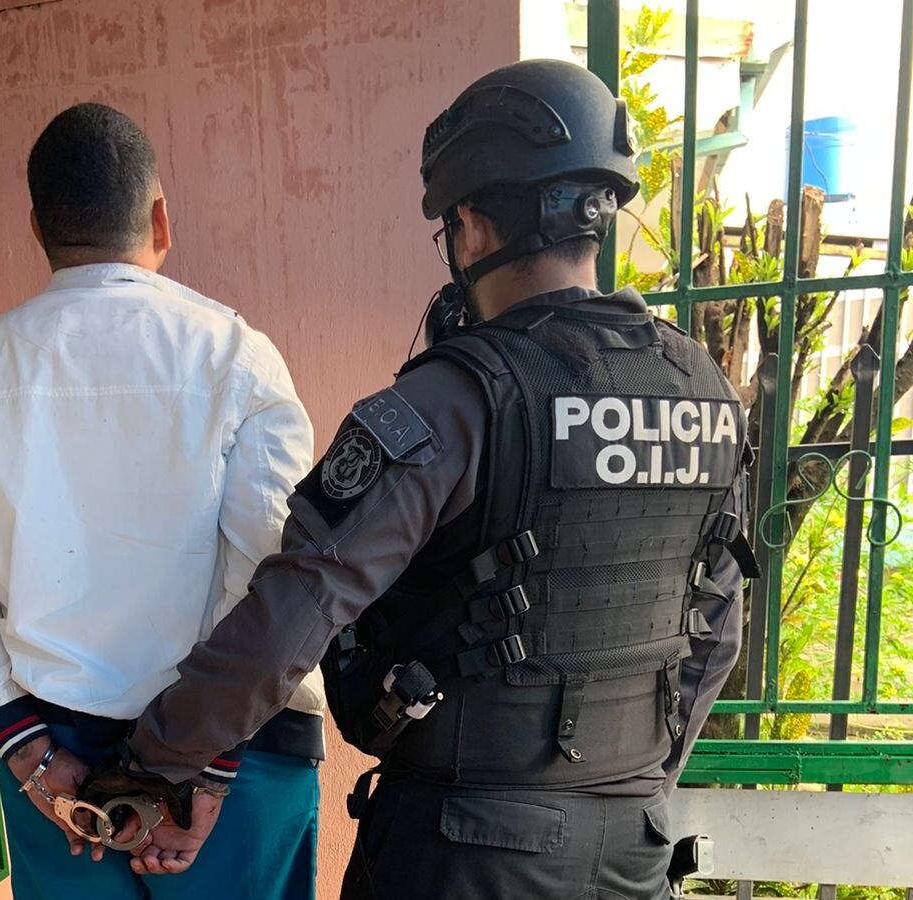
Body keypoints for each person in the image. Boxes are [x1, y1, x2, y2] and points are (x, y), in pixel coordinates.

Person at [120, 60, 758, 899]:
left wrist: (155, 759)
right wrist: (638, 784)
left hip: (465, 853)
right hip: (631, 850)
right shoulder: (706, 391)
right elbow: (716, 627)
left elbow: (297, 607)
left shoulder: (452, 401)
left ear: (473, 227)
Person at [0, 103, 324, 900]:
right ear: (160, 219)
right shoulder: (237, 358)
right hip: (237, 750)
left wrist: (29, 754)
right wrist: (207, 769)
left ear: (38, 228)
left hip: (57, 754)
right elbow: (277, 575)